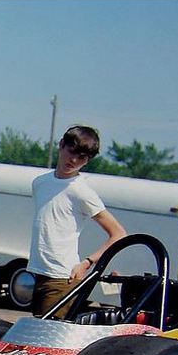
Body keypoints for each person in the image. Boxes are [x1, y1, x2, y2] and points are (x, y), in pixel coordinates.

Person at [27, 125, 126, 318]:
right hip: (39, 272)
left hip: (62, 277)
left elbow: (119, 234)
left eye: (81, 158)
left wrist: (87, 263)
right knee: (38, 337)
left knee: (48, 340)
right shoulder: (40, 183)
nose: (73, 160)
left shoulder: (81, 191)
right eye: (71, 151)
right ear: (61, 145)